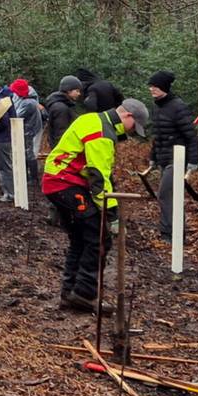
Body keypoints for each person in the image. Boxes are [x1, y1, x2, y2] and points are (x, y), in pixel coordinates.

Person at [39, 97, 149, 313]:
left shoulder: (93, 119)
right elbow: (98, 176)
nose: (132, 132)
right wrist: (111, 214)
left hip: (57, 182)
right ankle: (84, 294)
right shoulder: (102, 133)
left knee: (80, 239)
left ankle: (69, 294)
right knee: (99, 238)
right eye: (134, 126)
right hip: (65, 184)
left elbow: (100, 172)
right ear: (127, 115)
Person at [146, 71, 198, 240]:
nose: (151, 89)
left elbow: (191, 136)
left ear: (164, 87)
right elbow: (158, 135)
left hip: (177, 159)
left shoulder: (178, 107)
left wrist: (193, 161)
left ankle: (171, 233)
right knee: (170, 195)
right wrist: (153, 157)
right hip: (164, 158)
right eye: (151, 86)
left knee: (165, 194)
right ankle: (172, 232)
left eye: (155, 86)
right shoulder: (157, 107)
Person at [0, 79, 41, 202]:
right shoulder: (20, 99)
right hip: (22, 129)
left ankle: (33, 179)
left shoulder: (28, 103)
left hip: (27, 130)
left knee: (28, 153)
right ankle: (25, 177)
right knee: (23, 154)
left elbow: (16, 116)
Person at [42, 76, 84, 151]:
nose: (79, 94)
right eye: (77, 91)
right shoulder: (61, 108)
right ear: (69, 91)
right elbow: (61, 132)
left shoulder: (64, 105)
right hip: (63, 149)